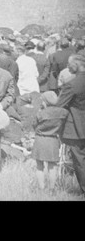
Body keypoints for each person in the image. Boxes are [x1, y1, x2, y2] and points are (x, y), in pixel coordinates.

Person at [56, 54, 85, 194]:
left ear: (76, 65)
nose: (67, 67)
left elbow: (59, 105)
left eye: (69, 64)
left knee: (80, 161)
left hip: (77, 128)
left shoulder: (72, 84)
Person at [31, 91, 68, 191]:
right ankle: (52, 189)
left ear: (45, 101)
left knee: (39, 166)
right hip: (53, 140)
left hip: (40, 140)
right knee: (52, 166)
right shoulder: (63, 112)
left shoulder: (41, 113)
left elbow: (34, 125)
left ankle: (41, 188)